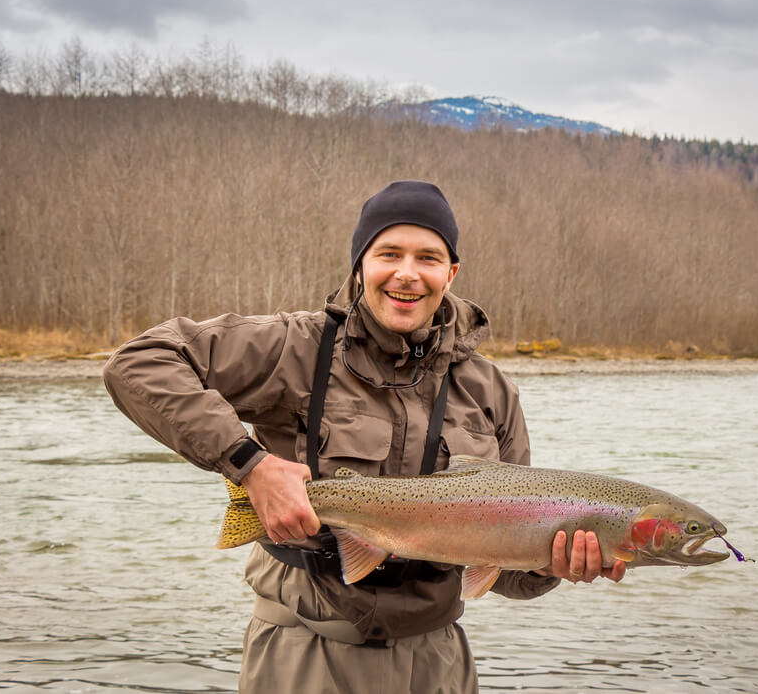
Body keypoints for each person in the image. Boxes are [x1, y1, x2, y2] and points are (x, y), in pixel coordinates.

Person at [103, 180, 625, 693]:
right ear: (360, 266)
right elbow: (139, 363)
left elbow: (506, 576)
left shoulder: (491, 390)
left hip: (438, 663)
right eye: (388, 253)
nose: (407, 274)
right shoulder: (295, 348)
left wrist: (549, 564)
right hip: (303, 655)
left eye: (428, 257)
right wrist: (249, 464)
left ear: (451, 273)